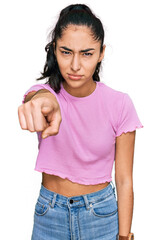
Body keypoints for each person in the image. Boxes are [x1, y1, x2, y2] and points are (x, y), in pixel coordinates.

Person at [18, 4, 143, 240]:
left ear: (101, 53)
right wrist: (43, 100)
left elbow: (125, 180)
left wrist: (125, 236)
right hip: (49, 216)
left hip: (101, 217)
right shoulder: (45, 94)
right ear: (54, 50)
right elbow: (37, 97)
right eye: (66, 52)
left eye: (87, 53)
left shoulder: (120, 104)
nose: (75, 66)